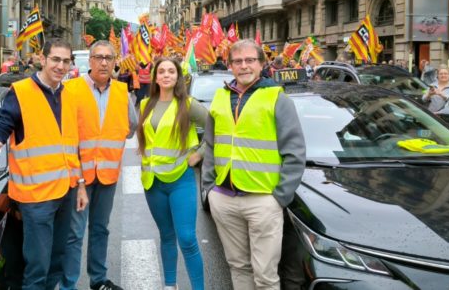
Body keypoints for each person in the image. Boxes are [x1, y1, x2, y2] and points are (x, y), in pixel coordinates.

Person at [0, 39, 89, 290]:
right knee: (37, 267)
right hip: (35, 198)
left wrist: (81, 185)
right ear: (43, 59)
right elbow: (3, 123)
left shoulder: (70, 96)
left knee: (57, 262)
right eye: (55, 59)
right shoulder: (20, 91)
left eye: (65, 61)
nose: (60, 66)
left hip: (66, 191)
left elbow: (72, 148)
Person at [202, 39, 306, 290]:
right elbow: (210, 146)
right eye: (238, 61)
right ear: (230, 66)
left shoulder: (277, 98)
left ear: (261, 64)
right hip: (224, 198)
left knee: (265, 276)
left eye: (250, 60)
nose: (244, 66)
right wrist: (209, 190)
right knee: (238, 268)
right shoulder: (220, 97)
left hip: (263, 201)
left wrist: (279, 197)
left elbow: (295, 152)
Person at [61, 41, 137, 290]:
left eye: (109, 57)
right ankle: (68, 285)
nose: (104, 62)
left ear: (115, 61)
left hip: (108, 175)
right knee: (74, 234)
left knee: (100, 229)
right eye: (98, 57)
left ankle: (98, 280)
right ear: (90, 61)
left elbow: (131, 126)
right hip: (77, 176)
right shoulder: (70, 89)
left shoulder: (122, 92)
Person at [138, 57, 208, 290]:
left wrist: (200, 153)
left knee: (187, 238)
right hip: (153, 182)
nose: (166, 75)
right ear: (155, 77)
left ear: (178, 77)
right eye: (162, 71)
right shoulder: (145, 104)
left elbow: (216, 128)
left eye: (171, 71)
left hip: (181, 180)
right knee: (166, 236)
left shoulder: (188, 104)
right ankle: (170, 285)